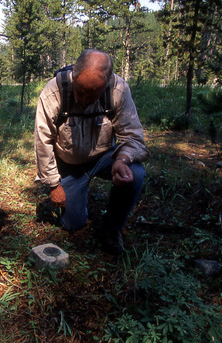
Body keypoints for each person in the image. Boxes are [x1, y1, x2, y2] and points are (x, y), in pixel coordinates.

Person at [34, 49, 150, 255]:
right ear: (73, 75)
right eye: (80, 91)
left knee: (136, 173)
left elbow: (133, 136)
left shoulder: (118, 90)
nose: (85, 99)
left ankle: (112, 228)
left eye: (93, 93)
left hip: (105, 157)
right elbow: (43, 142)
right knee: (73, 224)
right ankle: (76, 199)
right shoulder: (54, 92)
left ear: (106, 83)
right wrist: (53, 184)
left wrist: (122, 159)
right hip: (69, 165)